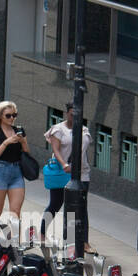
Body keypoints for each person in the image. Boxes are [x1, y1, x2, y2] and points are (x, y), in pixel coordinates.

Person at [42, 101, 92, 238]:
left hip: (82, 173)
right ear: (67, 113)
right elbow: (56, 150)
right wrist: (64, 164)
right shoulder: (58, 130)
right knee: (55, 204)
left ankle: (84, 241)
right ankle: (42, 232)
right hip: (63, 173)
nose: (75, 118)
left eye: (78, 115)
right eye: (72, 115)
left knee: (81, 208)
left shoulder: (84, 130)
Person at [0, 101, 30, 227]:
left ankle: (14, 243)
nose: (12, 118)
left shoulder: (19, 130)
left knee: (16, 211)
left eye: (14, 115)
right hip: (0, 172)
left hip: (16, 173)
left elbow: (26, 152)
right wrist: (6, 142)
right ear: (0, 116)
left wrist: (23, 142)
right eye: (8, 115)